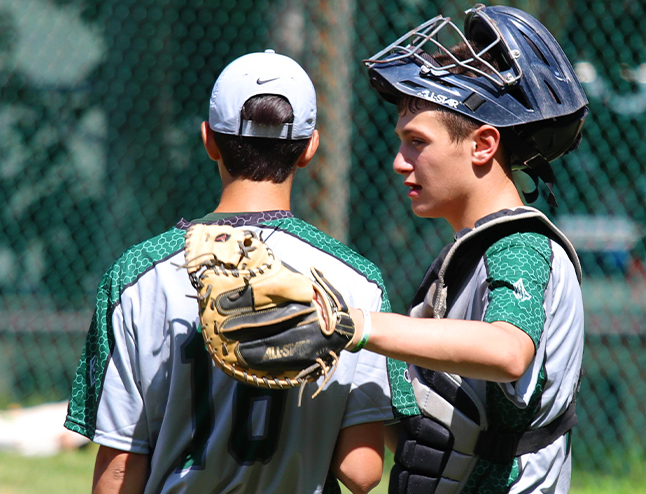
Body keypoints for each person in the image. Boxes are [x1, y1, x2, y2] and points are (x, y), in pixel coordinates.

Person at [64, 50, 393, 494]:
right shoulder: (357, 282)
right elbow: (362, 472)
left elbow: (120, 464)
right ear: (310, 148)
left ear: (209, 140)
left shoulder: (138, 275)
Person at [342, 5, 587, 493]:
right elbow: (435, 433)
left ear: (482, 145)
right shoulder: (469, 252)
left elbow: (509, 350)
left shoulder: (519, 245)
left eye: (417, 142)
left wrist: (359, 325)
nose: (398, 162)